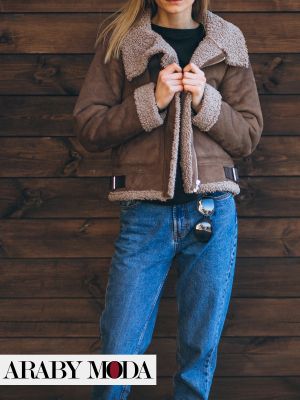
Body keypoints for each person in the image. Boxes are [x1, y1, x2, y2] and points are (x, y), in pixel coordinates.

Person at [73, 0, 263, 398]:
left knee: (199, 353)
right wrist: (151, 100)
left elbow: (247, 135)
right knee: (118, 350)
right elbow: (89, 127)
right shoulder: (122, 40)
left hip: (213, 217)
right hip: (143, 217)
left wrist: (204, 100)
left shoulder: (227, 41)